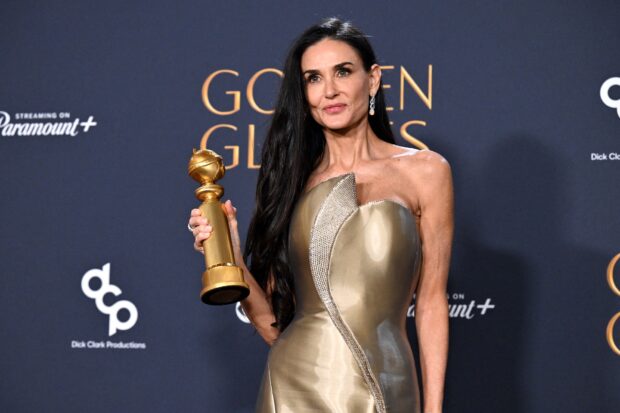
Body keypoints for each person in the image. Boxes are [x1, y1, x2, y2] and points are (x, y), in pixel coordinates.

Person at [188, 18, 453, 413]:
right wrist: (230, 257)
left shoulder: (426, 172)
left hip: (387, 382)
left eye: (343, 72)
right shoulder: (292, 184)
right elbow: (273, 327)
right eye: (313, 78)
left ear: (373, 78)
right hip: (293, 385)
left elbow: (431, 303)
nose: (329, 90)